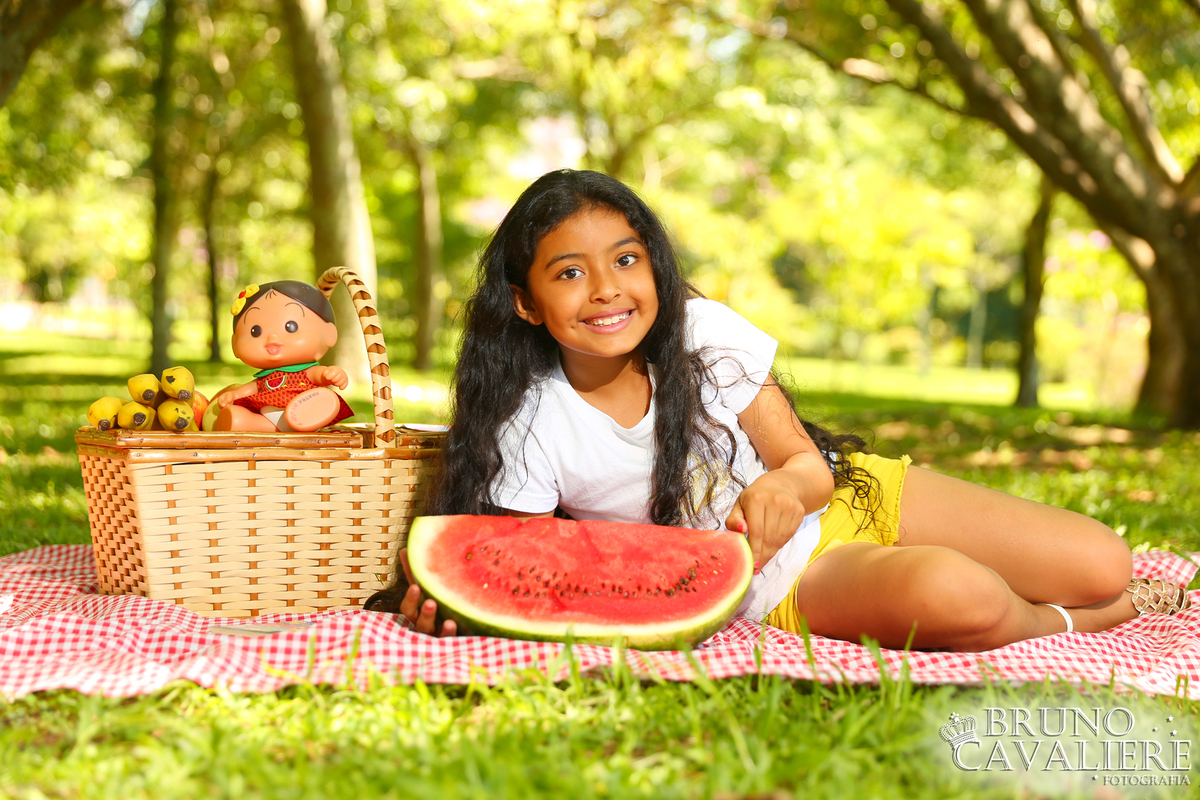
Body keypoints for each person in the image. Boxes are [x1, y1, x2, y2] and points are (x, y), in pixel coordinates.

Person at [368, 169, 1190, 650]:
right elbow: (522, 557)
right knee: (958, 597)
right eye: (570, 273)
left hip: (856, 494)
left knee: (1103, 557)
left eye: (625, 259)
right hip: (776, 583)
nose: (608, 288)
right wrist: (455, 603)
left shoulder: (705, 335)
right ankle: (1068, 625)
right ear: (525, 304)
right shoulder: (531, 421)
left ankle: (1091, 596)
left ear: (654, 265)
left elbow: (803, 462)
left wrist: (788, 490)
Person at [214, 280, 354, 432]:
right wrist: (235, 395)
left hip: (306, 411)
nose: (272, 339)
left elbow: (320, 376)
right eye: (256, 331)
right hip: (269, 422)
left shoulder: (306, 373)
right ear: (235, 344)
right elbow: (252, 388)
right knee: (238, 417)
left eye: (290, 327)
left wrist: (331, 375)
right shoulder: (264, 379)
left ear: (329, 334)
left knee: (323, 396)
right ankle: (245, 424)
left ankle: (307, 419)